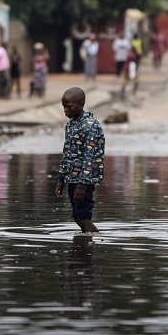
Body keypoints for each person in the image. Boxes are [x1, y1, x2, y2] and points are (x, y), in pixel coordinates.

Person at [55, 87, 105, 234]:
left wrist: (83, 184)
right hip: (71, 178)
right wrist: (60, 179)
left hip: (84, 181)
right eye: (64, 107)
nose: (65, 110)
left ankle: (85, 251)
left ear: (81, 104)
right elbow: (66, 153)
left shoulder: (89, 126)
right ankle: (92, 238)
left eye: (69, 107)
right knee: (78, 217)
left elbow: (90, 156)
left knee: (83, 216)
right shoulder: (71, 125)